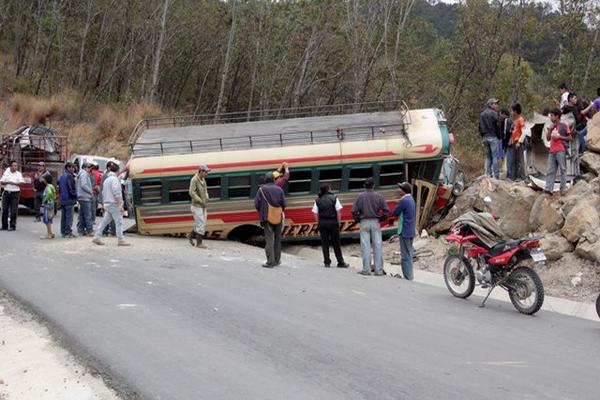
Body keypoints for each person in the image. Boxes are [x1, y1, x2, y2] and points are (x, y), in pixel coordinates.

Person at [351, 178, 389, 276]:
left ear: (364, 186)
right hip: (375, 222)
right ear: (373, 186)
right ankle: (378, 270)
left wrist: (358, 219)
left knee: (365, 246)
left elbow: (354, 211)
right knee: (377, 245)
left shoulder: (360, 196)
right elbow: (386, 211)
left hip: (364, 222)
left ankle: (366, 270)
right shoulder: (379, 196)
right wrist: (380, 219)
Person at [92, 161, 130, 246]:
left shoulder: (106, 180)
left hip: (107, 203)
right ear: (117, 171)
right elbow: (116, 193)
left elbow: (103, 192)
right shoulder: (114, 180)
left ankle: (97, 237)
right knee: (119, 222)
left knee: (104, 222)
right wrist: (120, 205)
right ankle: (121, 239)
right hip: (114, 204)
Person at [312, 183, 349, 268]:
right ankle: (340, 262)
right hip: (333, 223)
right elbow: (338, 211)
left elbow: (314, 213)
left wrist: (319, 222)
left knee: (325, 243)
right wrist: (338, 222)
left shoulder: (317, 200)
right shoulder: (334, 198)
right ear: (328, 189)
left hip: (322, 223)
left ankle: (327, 262)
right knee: (336, 243)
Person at [255, 172, 286, 268]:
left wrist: (263, 211)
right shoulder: (279, 189)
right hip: (278, 217)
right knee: (277, 239)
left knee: (269, 239)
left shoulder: (261, 190)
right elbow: (284, 204)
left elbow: (257, 204)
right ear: (273, 179)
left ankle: (270, 261)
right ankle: (277, 260)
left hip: (266, 218)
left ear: (265, 180)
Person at [391, 182, 417, 281]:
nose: (398, 190)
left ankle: (408, 277)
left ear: (404, 191)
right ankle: (410, 275)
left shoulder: (404, 201)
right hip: (411, 230)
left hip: (404, 231)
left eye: (400, 188)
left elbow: (395, 212)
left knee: (405, 255)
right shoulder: (411, 199)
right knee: (409, 253)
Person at [545, 108, 572, 195]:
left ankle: (563, 188)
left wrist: (560, 137)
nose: (551, 118)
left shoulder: (564, 125)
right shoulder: (551, 126)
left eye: (552, 116)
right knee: (550, 170)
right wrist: (549, 130)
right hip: (552, 150)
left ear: (557, 116)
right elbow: (548, 138)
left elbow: (570, 138)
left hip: (561, 149)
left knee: (563, 169)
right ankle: (549, 188)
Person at [187, 164, 210, 249]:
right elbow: (191, 192)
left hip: (203, 206)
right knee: (201, 223)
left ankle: (190, 235)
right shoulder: (194, 180)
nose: (207, 173)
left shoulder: (203, 180)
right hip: (196, 206)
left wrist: (207, 196)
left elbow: (205, 190)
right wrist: (200, 200)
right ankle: (199, 243)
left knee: (202, 222)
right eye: (206, 172)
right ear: (201, 171)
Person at [478, 98, 501, 178]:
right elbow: (497, 126)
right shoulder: (495, 114)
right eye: (495, 103)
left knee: (488, 157)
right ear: (490, 105)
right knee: (495, 156)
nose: (496, 105)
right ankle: (496, 175)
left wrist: (482, 135)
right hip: (493, 136)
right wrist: (499, 136)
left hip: (485, 137)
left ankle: (488, 174)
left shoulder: (482, 114)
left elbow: (479, 126)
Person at [0, 160, 23, 231]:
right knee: (5, 210)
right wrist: (9, 182)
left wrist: (12, 183)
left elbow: (21, 183)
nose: (15, 167)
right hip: (6, 193)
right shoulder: (7, 172)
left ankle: (13, 226)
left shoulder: (18, 174)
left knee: (13, 211)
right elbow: (2, 181)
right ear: (10, 166)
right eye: (14, 165)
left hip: (15, 193)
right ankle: (4, 226)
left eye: (16, 166)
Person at [506, 103, 526, 181]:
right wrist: (511, 139)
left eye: (512, 111)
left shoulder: (521, 120)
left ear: (515, 111)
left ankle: (521, 177)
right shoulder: (515, 121)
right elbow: (513, 131)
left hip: (518, 142)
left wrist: (519, 142)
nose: (511, 112)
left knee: (520, 159)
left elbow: (524, 132)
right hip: (514, 141)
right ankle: (514, 176)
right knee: (515, 160)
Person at [58, 162, 78, 238]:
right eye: (72, 167)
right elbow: (72, 189)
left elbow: (59, 188)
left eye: (74, 167)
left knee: (63, 217)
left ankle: (63, 232)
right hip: (69, 199)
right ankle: (68, 232)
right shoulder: (70, 176)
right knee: (69, 217)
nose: (73, 169)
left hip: (63, 199)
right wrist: (75, 196)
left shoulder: (62, 176)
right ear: (68, 168)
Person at [76, 162, 94, 236]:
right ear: (84, 167)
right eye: (88, 167)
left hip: (82, 197)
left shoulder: (82, 174)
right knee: (87, 215)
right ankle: (89, 230)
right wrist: (90, 191)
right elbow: (83, 185)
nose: (90, 169)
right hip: (85, 197)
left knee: (82, 215)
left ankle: (81, 230)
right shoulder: (84, 174)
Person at [40, 173, 56, 239]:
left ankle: (49, 234)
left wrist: (47, 199)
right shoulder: (51, 186)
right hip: (51, 204)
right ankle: (50, 233)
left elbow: (49, 193)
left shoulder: (48, 187)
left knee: (47, 219)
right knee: (49, 218)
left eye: (43, 178)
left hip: (47, 204)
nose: (42, 179)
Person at [498, 109, 512, 175]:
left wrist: (505, 141)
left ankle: (502, 169)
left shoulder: (506, 120)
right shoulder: (509, 120)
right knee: (504, 155)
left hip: (504, 140)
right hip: (505, 140)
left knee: (502, 155)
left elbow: (506, 131)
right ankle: (503, 168)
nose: (499, 116)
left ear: (503, 114)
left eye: (500, 114)